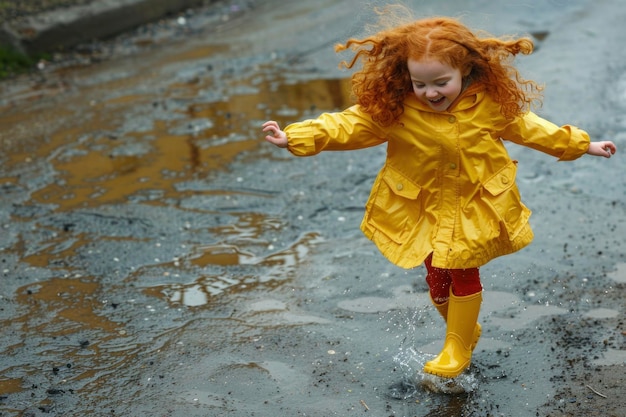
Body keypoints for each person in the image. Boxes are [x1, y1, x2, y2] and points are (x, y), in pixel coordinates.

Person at [261, 10, 617, 379]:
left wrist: (584, 144)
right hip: (424, 205)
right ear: (407, 77)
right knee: (436, 278)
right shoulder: (395, 109)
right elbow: (348, 125)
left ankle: (457, 346)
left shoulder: (490, 106)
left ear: (465, 71)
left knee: (462, 269)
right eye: (420, 83)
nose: (430, 93)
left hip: (472, 205)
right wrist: (296, 137)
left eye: (441, 82)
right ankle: (462, 329)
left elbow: (534, 130)